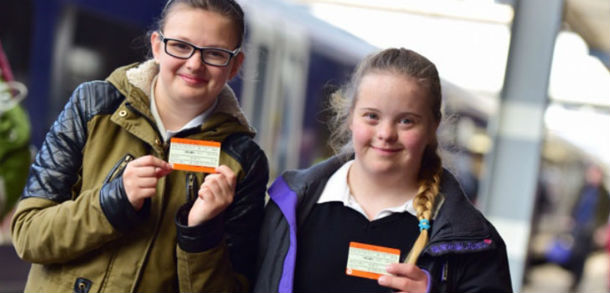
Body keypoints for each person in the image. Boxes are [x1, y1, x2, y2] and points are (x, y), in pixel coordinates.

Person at [10, 0, 269, 292]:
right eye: (181, 46)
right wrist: (113, 201)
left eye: (215, 53)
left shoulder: (244, 161)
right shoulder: (93, 107)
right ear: (157, 46)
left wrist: (201, 233)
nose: (195, 63)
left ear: (235, 65)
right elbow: (28, 234)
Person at [254, 48, 512, 293]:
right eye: (372, 116)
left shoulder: (476, 242)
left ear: (433, 127)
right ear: (350, 117)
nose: (386, 134)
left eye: (406, 121)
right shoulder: (288, 205)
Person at [562, 163, 609, 291]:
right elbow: (575, 204)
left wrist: (600, 230)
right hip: (578, 226)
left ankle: (577, 281)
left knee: (582, 256)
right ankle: (573, 277)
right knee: (574, 254)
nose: (591, 176)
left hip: (590, 229)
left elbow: (604, 214)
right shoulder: (583, 189)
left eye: (594, 174)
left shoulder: (604, 194)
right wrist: (570, 217)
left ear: (599, 176)